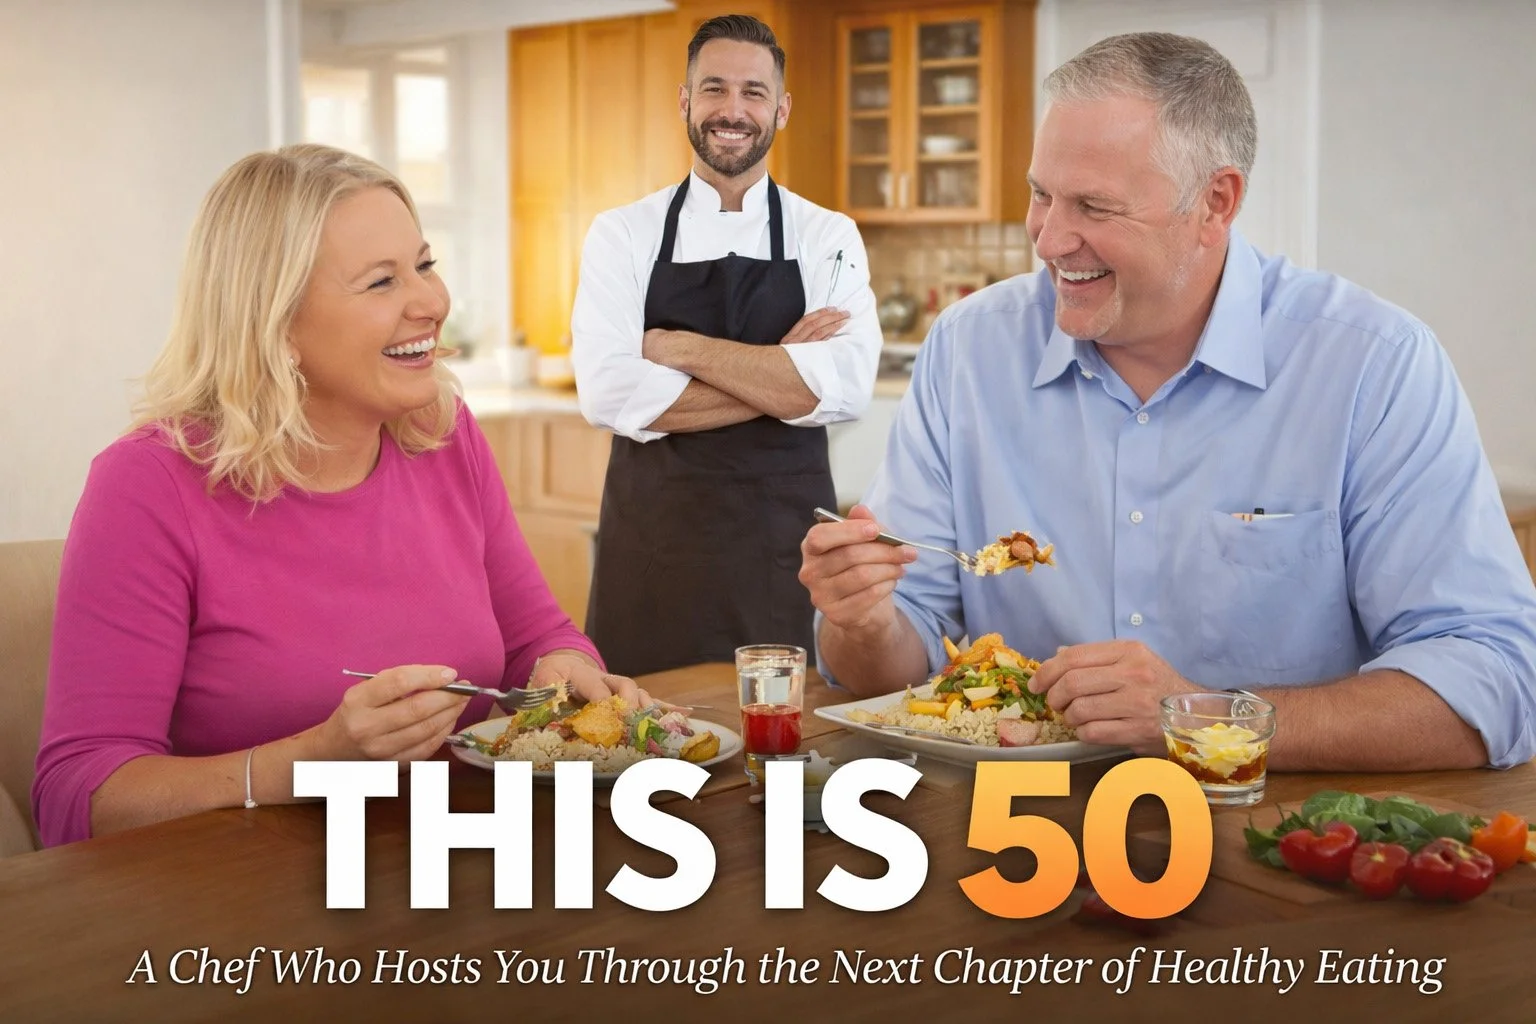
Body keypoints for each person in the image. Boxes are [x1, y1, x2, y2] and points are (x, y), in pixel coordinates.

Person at [800, 32, 1536, 772]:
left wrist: (1207, 719)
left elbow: (1495, 679)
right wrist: (862, 621)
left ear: (1216, 202)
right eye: (1040, 194)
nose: (1049, 239)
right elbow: (896, 663)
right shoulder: (967, 349)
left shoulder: (1372, 365)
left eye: (1093, 205)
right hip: (1008, 836)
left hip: (1273, 842)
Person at [33, 144, 651, 847]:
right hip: (243, 923)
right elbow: (77, 797)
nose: (432, 302)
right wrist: (308, 764)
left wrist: (563, 673)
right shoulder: (148, 487)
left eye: (424, 265)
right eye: (381, 282)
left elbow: (536, 639)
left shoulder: (443, 436)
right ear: (279, 324)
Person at [571, 14, 881, 678]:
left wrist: (681, 348)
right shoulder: (621, 234)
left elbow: (845, 386)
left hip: (782, 555)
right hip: (654, 555)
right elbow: (608, 393)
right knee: (640, 749)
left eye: (753, 92)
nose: (732, 110)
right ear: (686, 102)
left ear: (781, 109)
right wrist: (783, 372)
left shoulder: (827, 235)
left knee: (783, 757)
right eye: (714, 89)